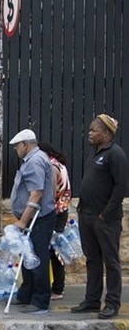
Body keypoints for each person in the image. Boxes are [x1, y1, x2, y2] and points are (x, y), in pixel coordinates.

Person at [71, 114, 127, 319]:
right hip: (87, 215)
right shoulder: (95, 154)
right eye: (90, 130)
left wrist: (106, 214)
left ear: (106, 133)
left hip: (105, 219)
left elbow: (121, 187)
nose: (90, 133)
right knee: (92, 259)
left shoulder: (115, 154)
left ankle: (112, 303)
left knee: (110, 261)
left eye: (94, 130)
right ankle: (92, 300)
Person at [8, 129, 56, 314]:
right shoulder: (38, 158)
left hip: (38, 218)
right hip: (36, 217)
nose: (15, 150)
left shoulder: (35, 161)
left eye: (16, 146)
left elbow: (36, 194)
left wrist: (23, 221)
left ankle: (40, 300)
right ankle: (26, 294)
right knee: (28, 257)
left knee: (36, 258)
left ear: (25, 145)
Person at [38, 142, 72, 301]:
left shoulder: (51, 168)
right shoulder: (60, 165)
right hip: (62, 211)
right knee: (55, 251)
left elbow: (49, 195)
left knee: (53, 252)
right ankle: (58, 287)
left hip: (55, 213)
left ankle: (57, 289)